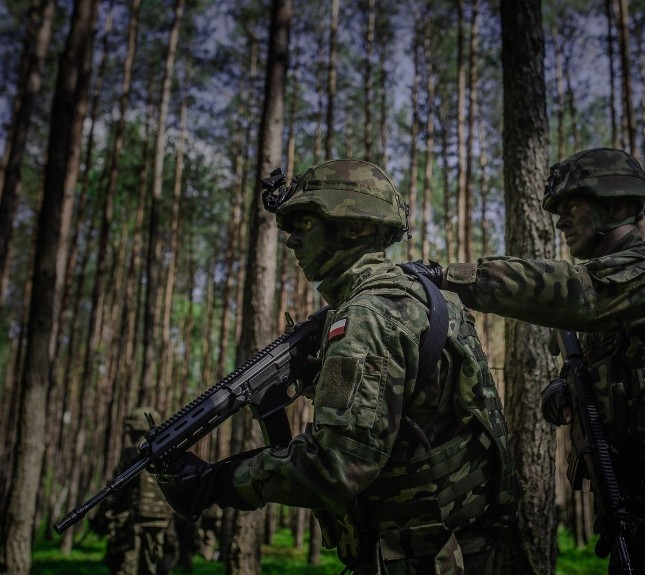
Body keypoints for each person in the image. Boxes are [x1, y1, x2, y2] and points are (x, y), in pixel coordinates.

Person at [405, 147, 645, 575]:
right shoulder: (603, 308)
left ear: (615, 205)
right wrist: (561, 393)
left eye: (572, 206)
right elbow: (587, 378)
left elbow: (574, 291)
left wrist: (444, 276)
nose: (560, 221)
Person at [154, 159, 516, 574]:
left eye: (304, 222)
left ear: (355, 227)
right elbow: (421, 412)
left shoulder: (366, 316)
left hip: (415, 556)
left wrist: (217, 482)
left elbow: (338, 467)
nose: (291, 241)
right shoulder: (432, 298)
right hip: (468, 545)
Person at [91, 408, 174, 575]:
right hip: (159, 520)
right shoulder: (167, 452)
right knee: (150, 567)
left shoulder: (131, 454)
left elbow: (115, 490)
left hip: (131, 521)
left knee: (124, 566)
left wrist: (101, 516)